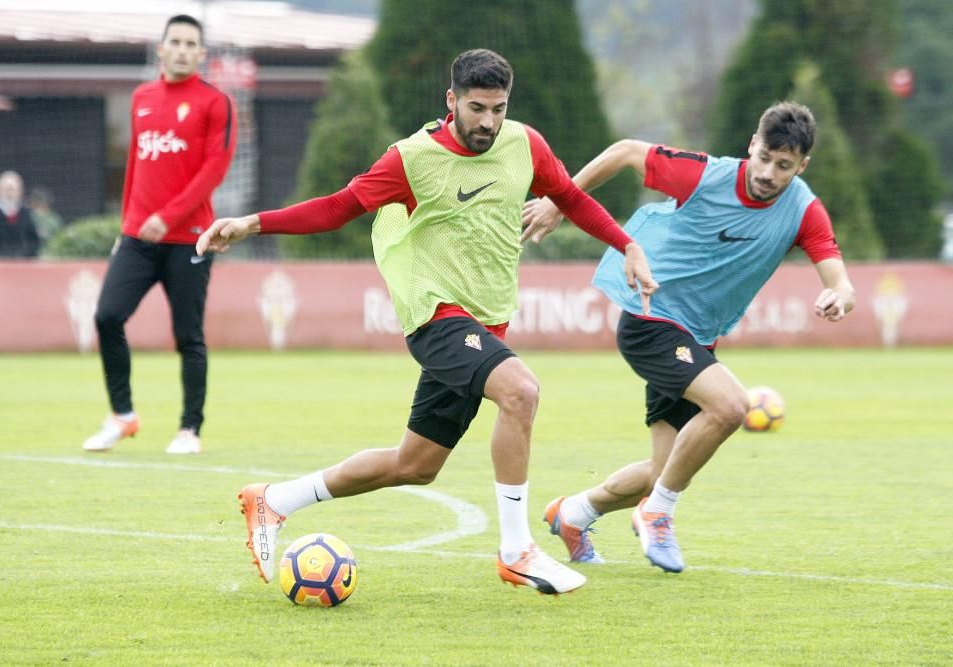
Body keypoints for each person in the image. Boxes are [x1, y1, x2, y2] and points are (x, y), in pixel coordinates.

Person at [196, 49, 656, 594]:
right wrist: (251, 224)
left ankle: (275, 500)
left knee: (415, 464)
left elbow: (571, 198)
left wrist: (626, 244)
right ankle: (517, 551)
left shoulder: (524, 144)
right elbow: (338, 207)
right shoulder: (411, 159)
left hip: (485, 322)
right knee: (521, 392)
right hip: (434, 314)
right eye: (477, 107)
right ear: (452, 100)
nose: (488, 121)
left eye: (499, 108)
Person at [524, 101, 855, 573]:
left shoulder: (803, 210)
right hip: (650, 318)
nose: (768, 172)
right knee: (731, 406)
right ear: (752, 146)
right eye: (764, 157)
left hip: (698, 337)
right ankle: (658, 513)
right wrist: (561, 199)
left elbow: (840, 282)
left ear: (801, 166)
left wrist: (839, 297)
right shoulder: (705, 175)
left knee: (664, 470)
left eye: (783, 166)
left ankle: (573, 513)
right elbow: (624, 151)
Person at [82, 14, 236, 455]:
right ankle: (123, 416)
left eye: (192, 43)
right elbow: (136, 163)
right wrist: (125, 227)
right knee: (107, 316)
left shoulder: (214, 102)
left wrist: (167, 217)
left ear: (201, 53)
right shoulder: (142, 97)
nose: (184, 49)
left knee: (188, 336)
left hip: (189, 237)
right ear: (162, 49)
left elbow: (214, 169)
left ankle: (190, 430)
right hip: (138, 238)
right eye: (176, 42)